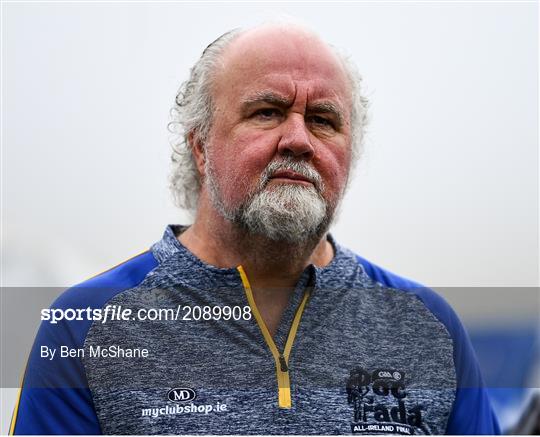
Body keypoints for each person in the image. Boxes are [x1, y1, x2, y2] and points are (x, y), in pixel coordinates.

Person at [10, 24, 500, 435]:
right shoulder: (84, 326)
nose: (298, 140)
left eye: (324, 120)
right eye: (266, 112)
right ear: (200, 146)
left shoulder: (428, 327)